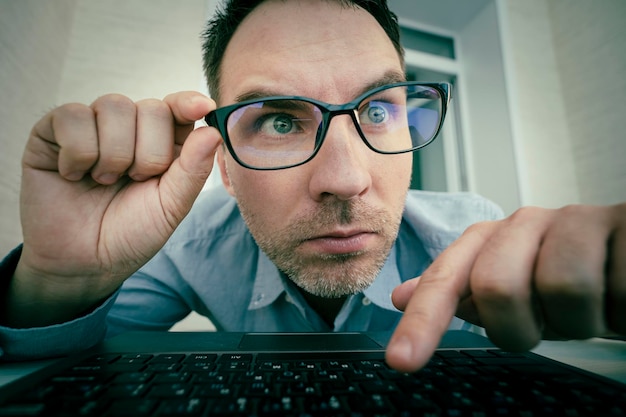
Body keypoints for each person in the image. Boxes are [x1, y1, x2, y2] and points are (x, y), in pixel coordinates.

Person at [0, 0, 624, 373]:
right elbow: (56, 366)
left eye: (379, 110)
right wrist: (59, 287)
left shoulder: (468, 238)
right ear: (222, 159)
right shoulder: (191, 241)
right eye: (279, 120)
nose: (346, 180)